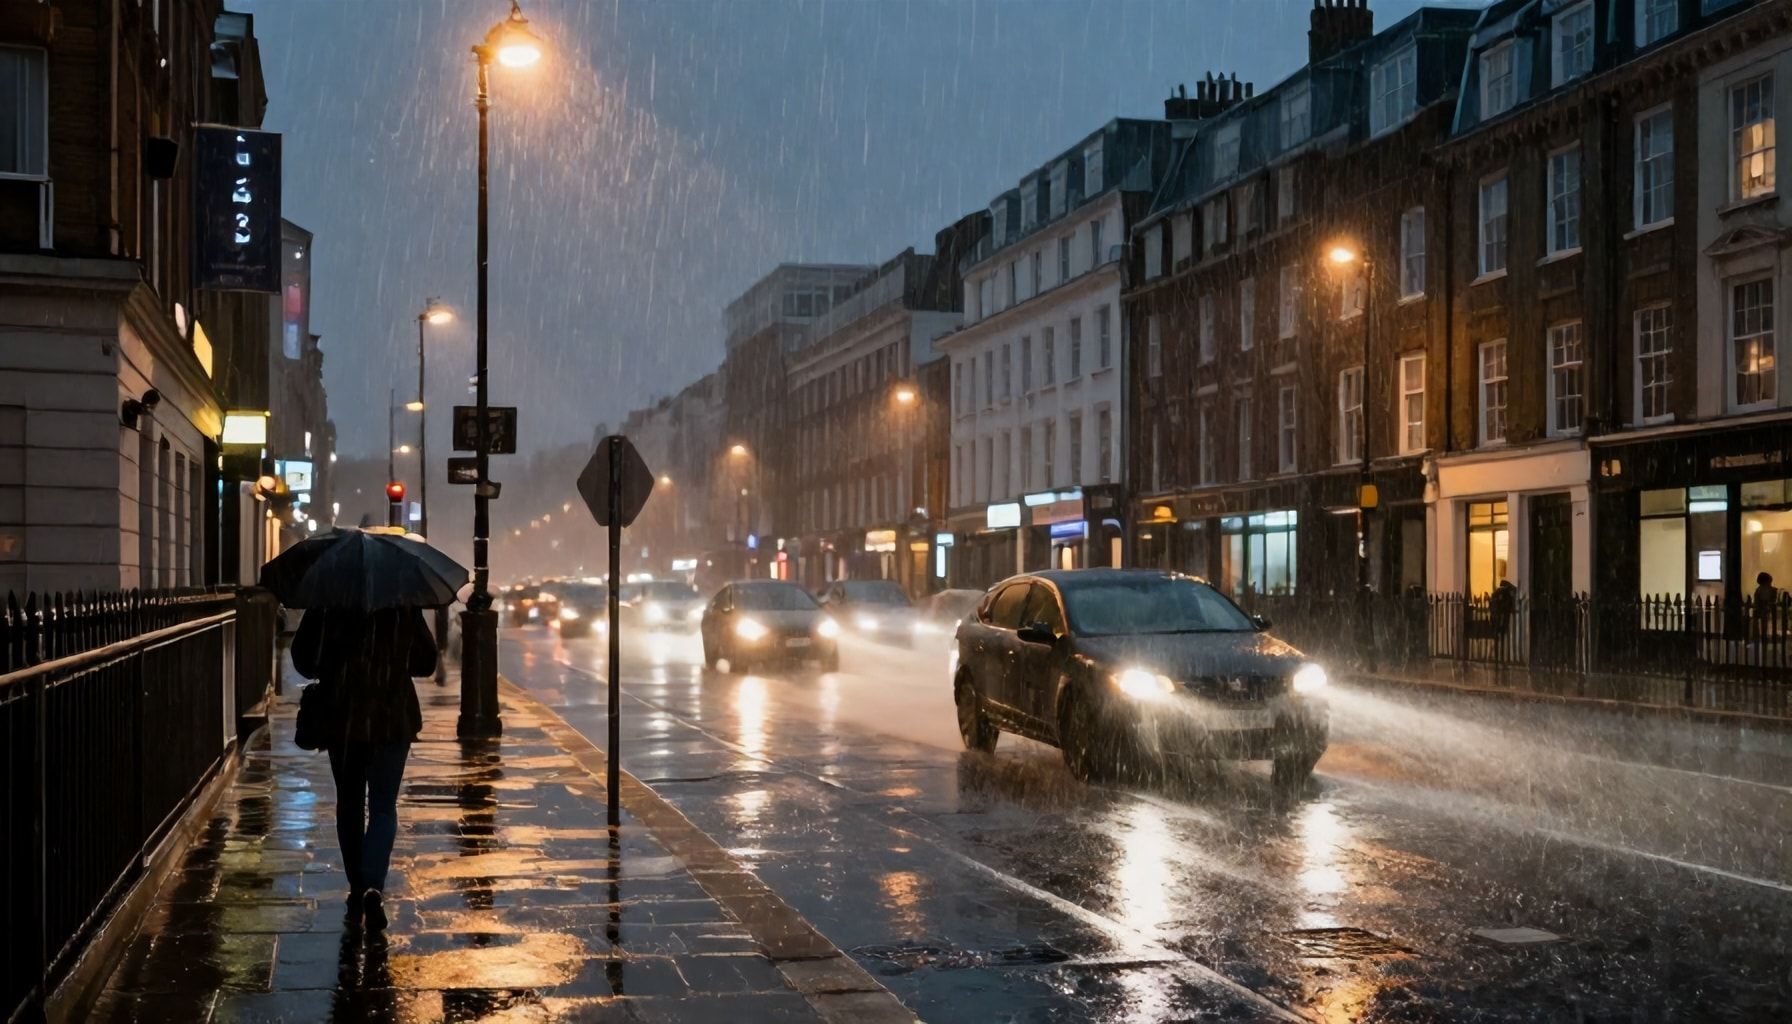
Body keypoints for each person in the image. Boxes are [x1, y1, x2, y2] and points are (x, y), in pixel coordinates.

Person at [291, 606, 436, 932]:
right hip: (392, 714)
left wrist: (333, 664)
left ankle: (357, 887)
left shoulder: (329, 599)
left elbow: (302, 658)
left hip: (342, 713)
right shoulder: (401, 600)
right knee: (383, 806)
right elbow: (427, 662)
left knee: (350, 802)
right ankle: (373, 885)